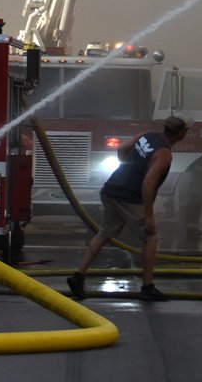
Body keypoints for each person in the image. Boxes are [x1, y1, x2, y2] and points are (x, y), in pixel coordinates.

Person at [67, 115, 189, 303]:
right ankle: (147, 288)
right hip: (129, 198)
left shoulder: (147, 135)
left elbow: (121, 150)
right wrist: (149, 217)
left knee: (104, 233)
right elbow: (148, 183)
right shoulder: (164, 154)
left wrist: (130, 170)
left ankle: (78, 276)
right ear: (181, 134)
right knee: (150, 238)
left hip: (111, 189)